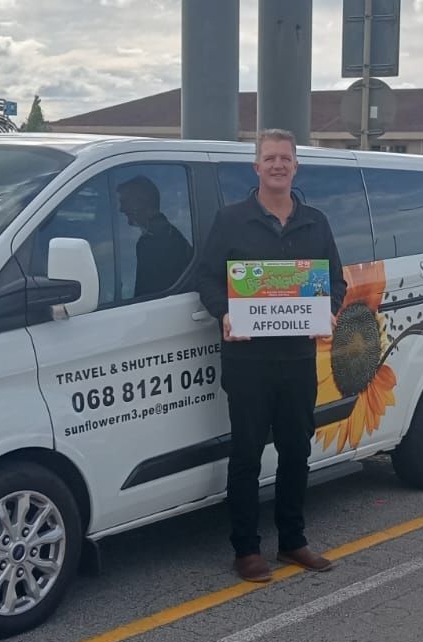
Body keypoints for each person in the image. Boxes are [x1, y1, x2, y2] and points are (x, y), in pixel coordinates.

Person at [196, 128, 348, 583]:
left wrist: (331, 312)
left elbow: (335, 282)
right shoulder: (231, 220)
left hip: (298, 359)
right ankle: (246, 549)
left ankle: (293, 541)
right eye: (270, 158)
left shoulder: (316, 222)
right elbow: (206, 279)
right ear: (257, 168)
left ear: (295, 166)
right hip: (247, 362)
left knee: (296, 451)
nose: (278, 164)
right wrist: (224, 313)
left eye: (285, 158)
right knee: (245, 455)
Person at [118, 175, 192, 298]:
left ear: (141, 203)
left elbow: (147, 293)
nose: (121, 209)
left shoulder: (157, 241)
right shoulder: (168, 232)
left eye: (125, 202)